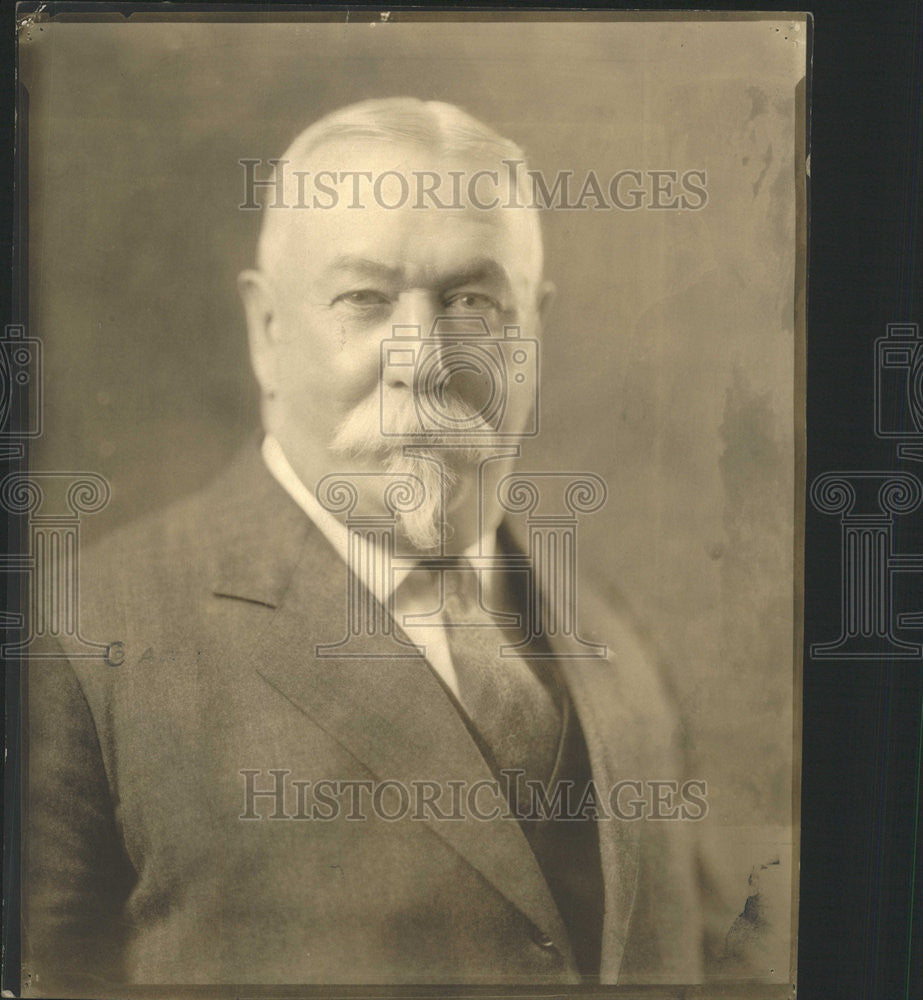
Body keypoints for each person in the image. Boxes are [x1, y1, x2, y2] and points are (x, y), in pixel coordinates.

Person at [25, 99, 715, 992]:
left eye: (473, 301)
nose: (422, 357)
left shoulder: (617, 638)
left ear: (532, 332)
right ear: (266, 330)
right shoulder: (78, 646)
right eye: (365, 298)